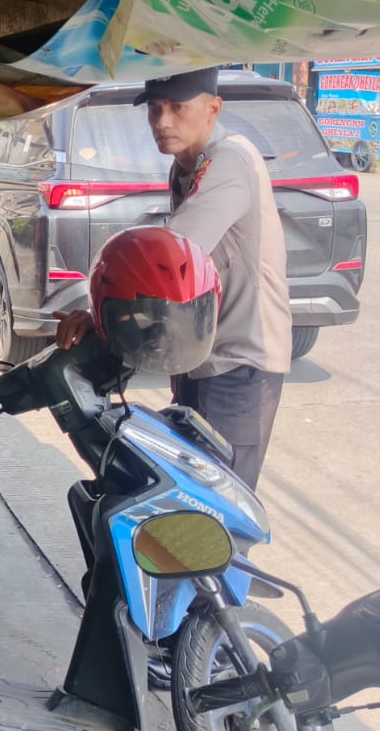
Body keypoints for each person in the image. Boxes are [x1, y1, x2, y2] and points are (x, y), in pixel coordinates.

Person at [56, 67, 290, 489]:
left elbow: (168, 257)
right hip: (201, 352)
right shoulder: (187, 165)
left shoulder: (229, 160)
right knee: (184, 493)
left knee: (216, 504)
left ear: (213, 109)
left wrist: (100, 315)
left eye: (177, 108)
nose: (162, 122)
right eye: (155, 109)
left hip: (239, 361)